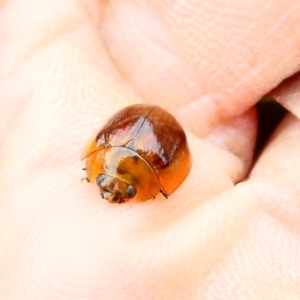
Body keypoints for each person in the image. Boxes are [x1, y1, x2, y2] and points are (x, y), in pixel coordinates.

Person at [1, 1, 300, 299]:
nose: (111, 194)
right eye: (114, 187)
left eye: (116, 188)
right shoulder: (109, 157)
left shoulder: (137, 167)